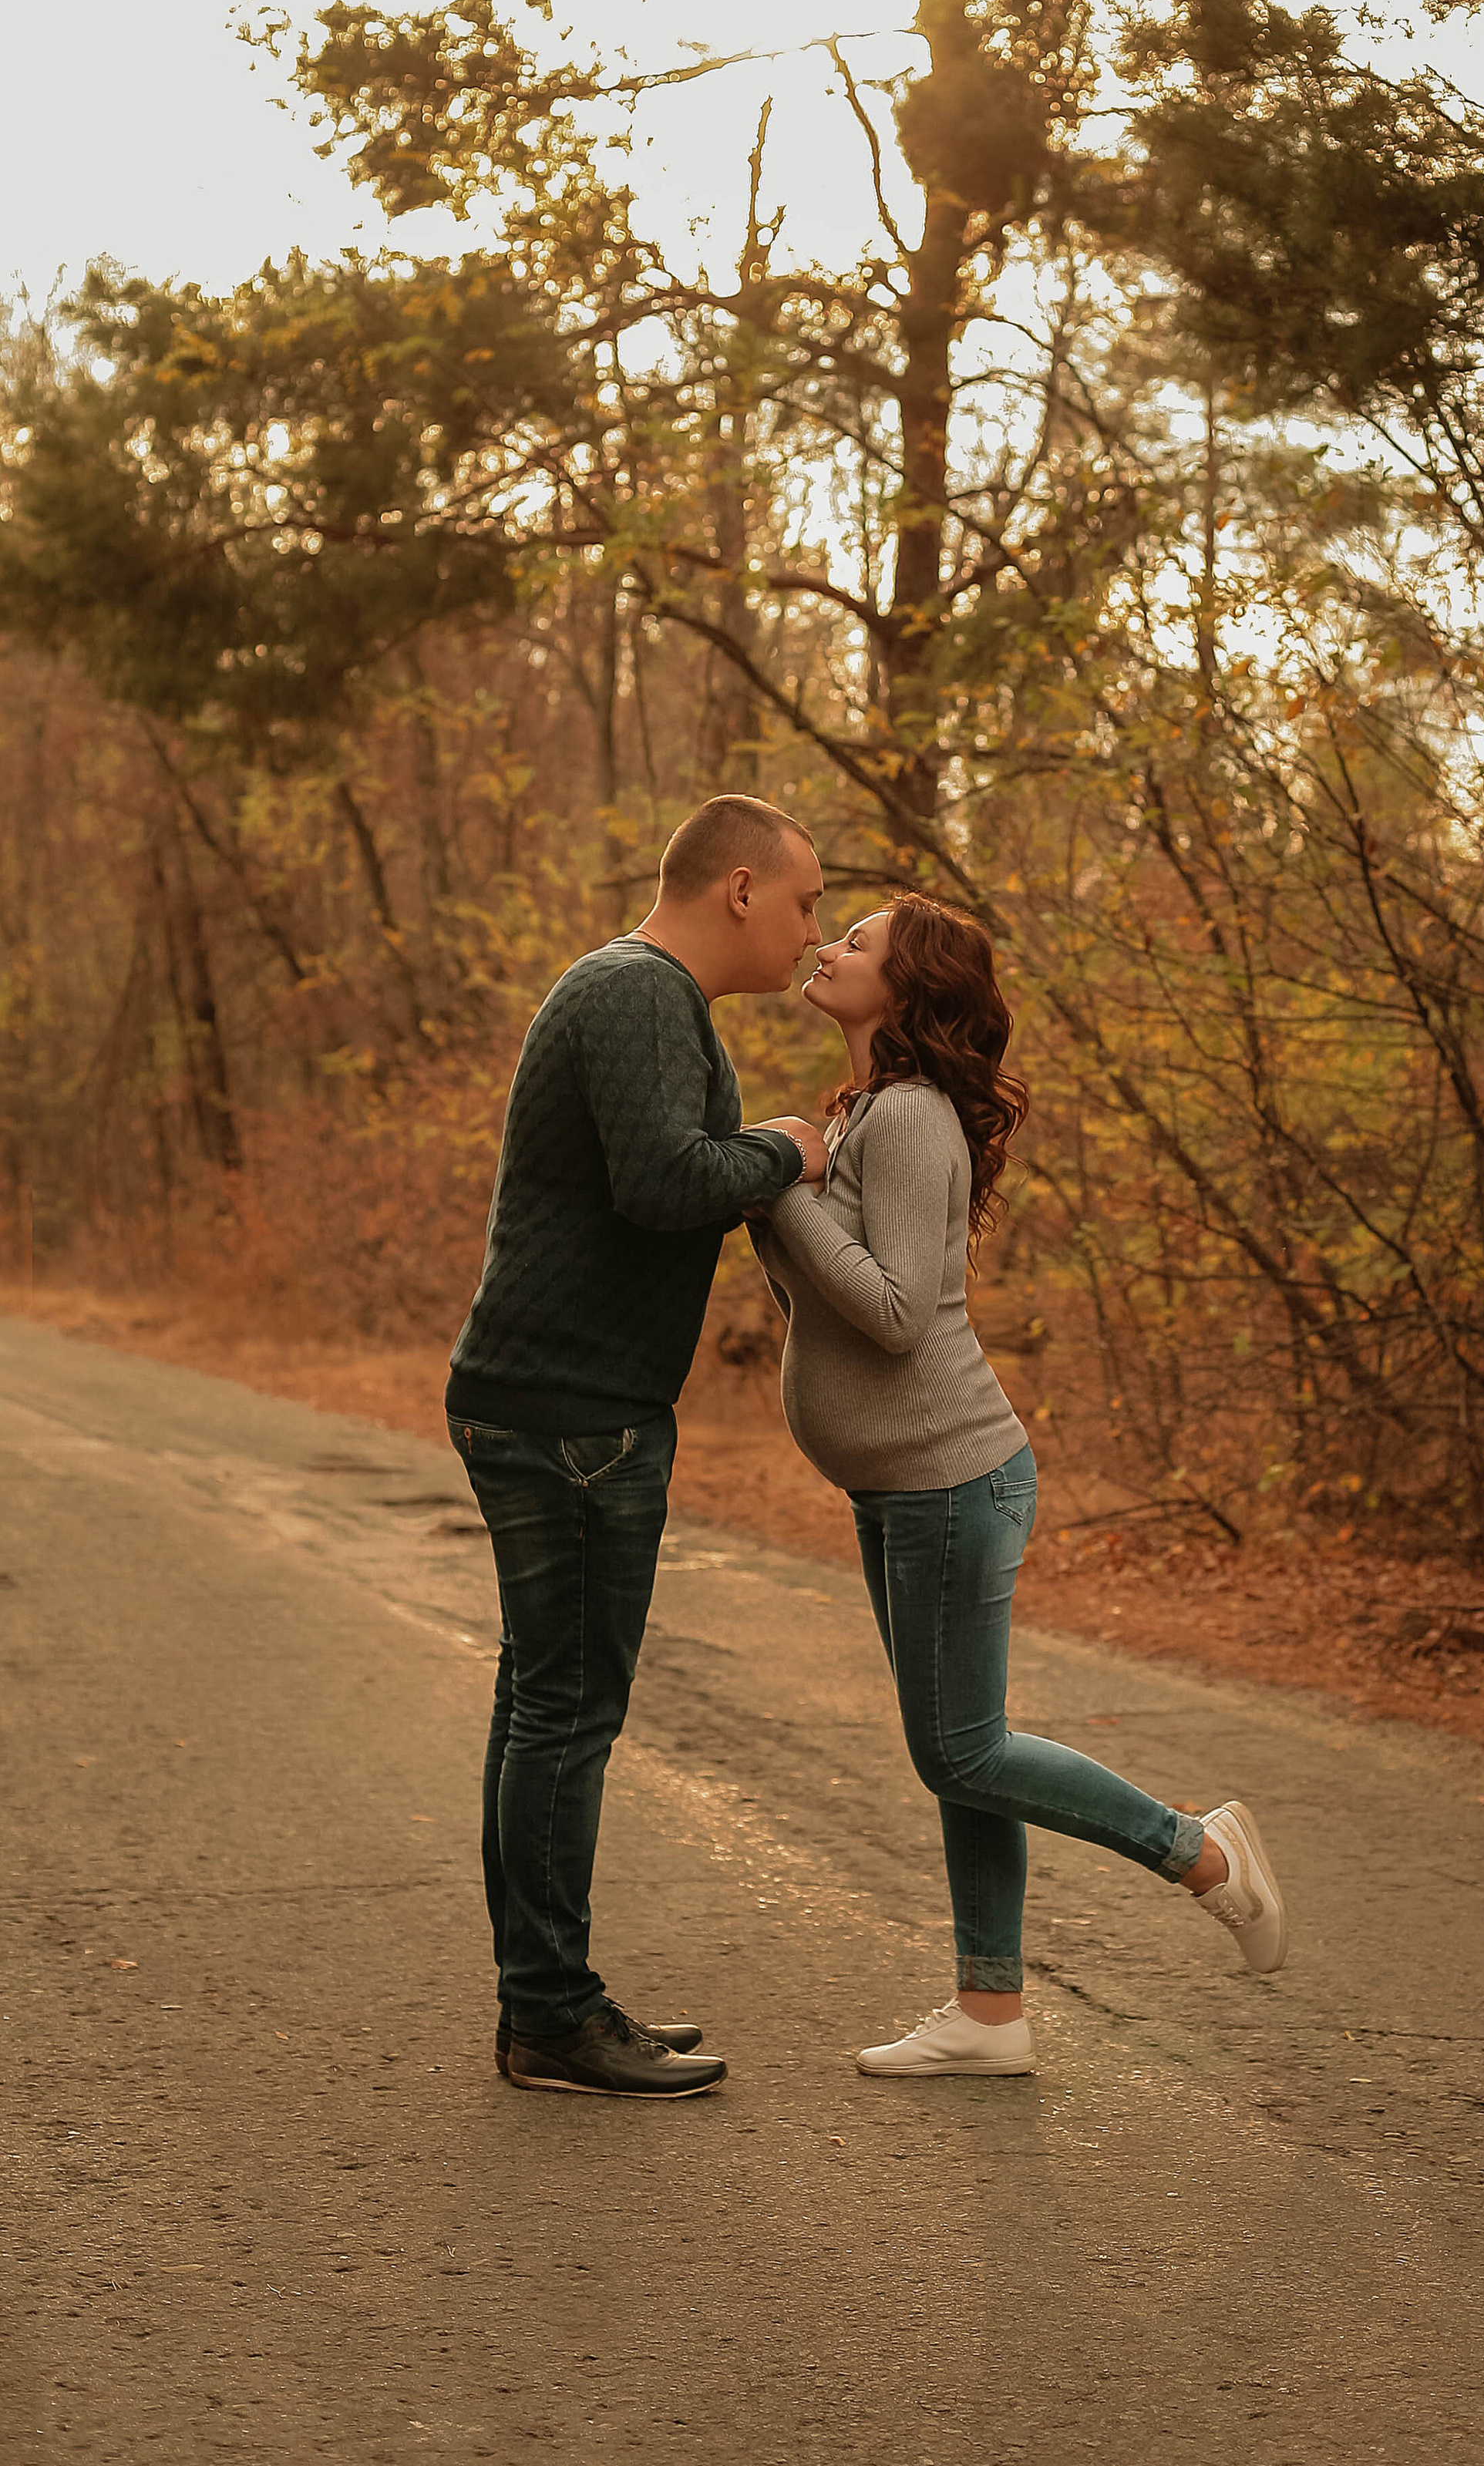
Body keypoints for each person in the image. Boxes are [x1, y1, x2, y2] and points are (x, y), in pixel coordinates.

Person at [749, 893, 1288, 2078]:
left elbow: (896, 1316)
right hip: (905, 1485)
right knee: (964, 1751)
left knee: (961, 1750)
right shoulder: (865, 1112)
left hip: (950, 1479)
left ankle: (1202, 1854)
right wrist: (787, 1179)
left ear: (906, 988)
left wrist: (779, 1182)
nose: (827, 946)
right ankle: (991, 2015)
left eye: (856, 943)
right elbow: (815, 1308)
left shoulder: (907, 1119)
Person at [445, 794, 829, 2098]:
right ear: (740, 889)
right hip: (569, 1413)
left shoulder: (652, 999)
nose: (810, 932)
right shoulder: (637, 994)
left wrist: (756, 1149)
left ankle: (543, 2002)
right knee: (565, 1711)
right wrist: (785, 1148)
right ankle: (551, 2016)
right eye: (804, 903)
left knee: (542, 1704)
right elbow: (664, 1182)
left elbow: (658, 1172)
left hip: (560, 1401)